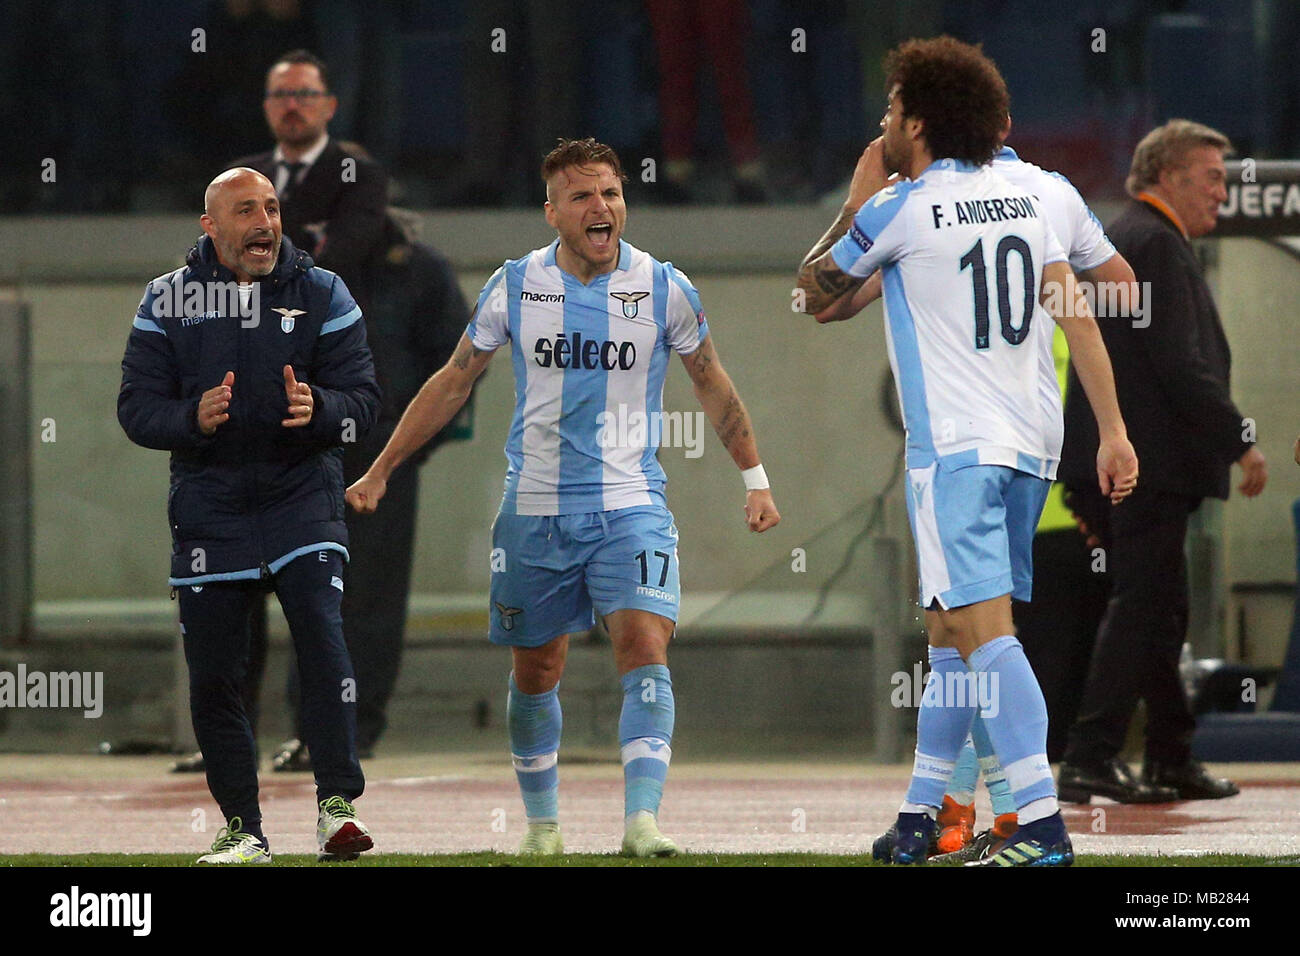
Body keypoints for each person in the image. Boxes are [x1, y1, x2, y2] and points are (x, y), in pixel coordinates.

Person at [346, 137, 781, 857]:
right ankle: (542, 827)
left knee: (644, 646)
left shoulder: (663, 286)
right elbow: (455, 378)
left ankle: (641, 823)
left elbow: (710, 378)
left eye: (610, 193)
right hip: (536, 511)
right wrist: (384, 466)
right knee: (536, 668)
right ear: (553, 212)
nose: (600, 207)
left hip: (631, 504)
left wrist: (755, 478)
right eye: (582, 196)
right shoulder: (515, 285)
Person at [795, 37, 1138, 867]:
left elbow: (809, 296)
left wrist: (854, 207)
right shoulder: (1042, 190)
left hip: (952, 449)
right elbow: (1114, 288)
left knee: (985, 634)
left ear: (916, 121)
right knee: (948, 630)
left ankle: (1040, 826)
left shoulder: (899, 209)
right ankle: (929, 818)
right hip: (1033, 446)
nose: (882, 127)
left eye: (888, 113)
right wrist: (1117, 429)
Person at [118, 167, 380, 864]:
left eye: (271, 206)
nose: (264, 220)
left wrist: (319, 410)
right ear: (211, 226)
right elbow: (135, 409)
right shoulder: (167, 300)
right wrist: (189, 417)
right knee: (214, 674)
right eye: (245, 210)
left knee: (323, 645)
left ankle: (336, 808)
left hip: (302, 498)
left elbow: (363, 399)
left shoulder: (323, 291)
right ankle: (244, 829)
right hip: (210, 509)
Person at [167, 49, 394, 775]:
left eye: (306, 93)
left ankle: (325, 745)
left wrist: (321, 403)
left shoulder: (357, 172)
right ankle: (235, 747)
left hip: (320, 421)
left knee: (326, 609)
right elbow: (139, 397)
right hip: (230, 467)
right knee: (233, 614)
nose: (293, 105)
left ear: (330, 103)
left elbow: (340, 254)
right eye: (280, 94)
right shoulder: (242, 181)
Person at [1056, 120, 1269, 802]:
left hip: (1122, 464)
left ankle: (1170, 755)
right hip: (1141, 467)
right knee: (1144, 606)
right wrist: (1241, 438)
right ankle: (1089, 756)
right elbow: (1181, 365)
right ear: (1168, 176)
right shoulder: (1156, 245)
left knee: (1159, 610)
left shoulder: (1130, 239)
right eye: (1211, 177)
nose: (1222, 193)